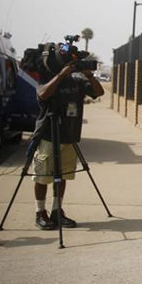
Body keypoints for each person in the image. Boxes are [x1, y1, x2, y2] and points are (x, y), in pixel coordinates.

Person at [33, 59, 104, 230]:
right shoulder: (48, 77)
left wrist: (89, 75)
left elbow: (99, 92)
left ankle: (57, 211)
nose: (72, 66)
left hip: (69, 135)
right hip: (48, 135)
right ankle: (40, 212)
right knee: (43, 176)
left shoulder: (78, 80)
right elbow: (42, 94)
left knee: (63, 175)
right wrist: (60, 76)